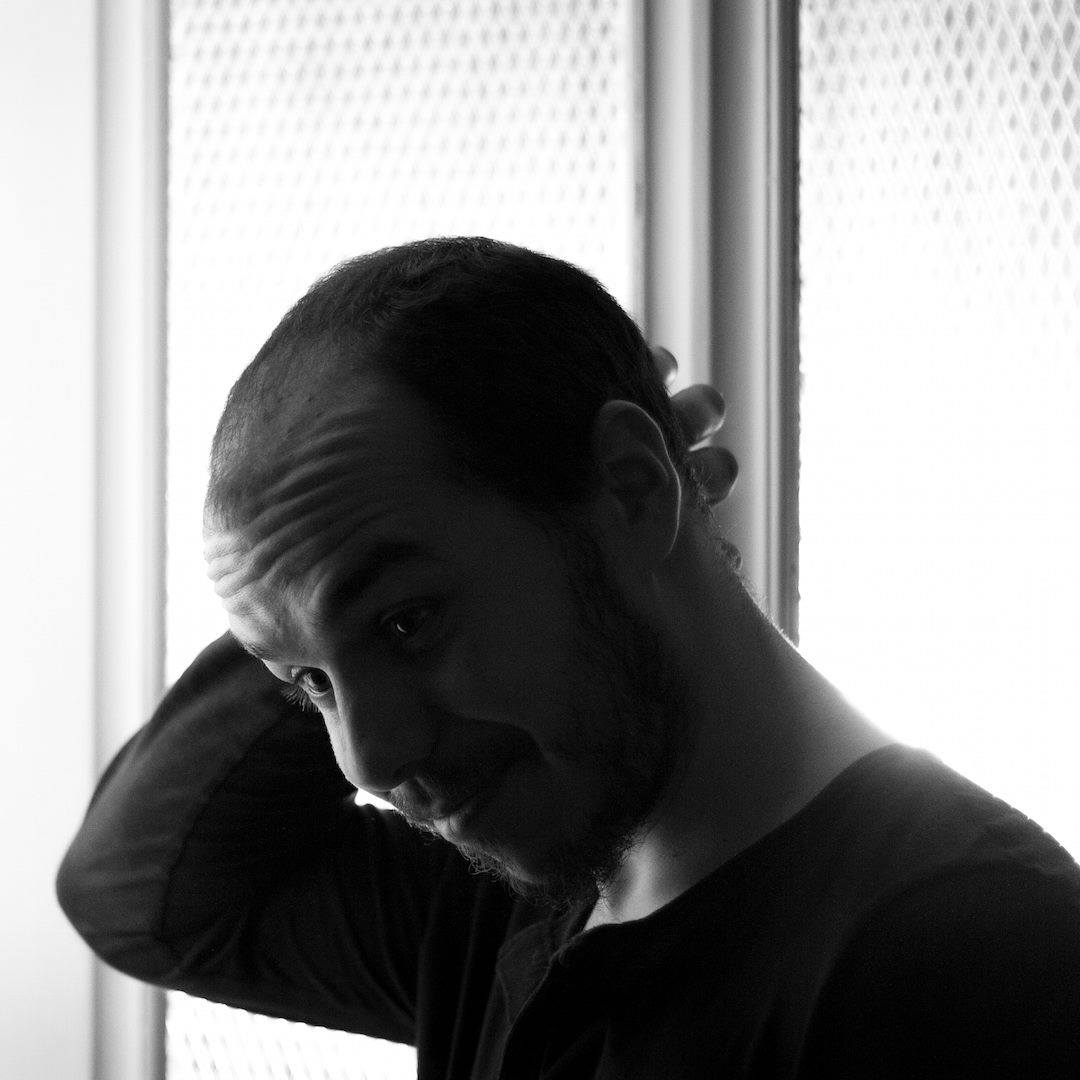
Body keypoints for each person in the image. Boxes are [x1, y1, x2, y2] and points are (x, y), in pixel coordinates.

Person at [58, 238, 1080, 1078]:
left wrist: (318, 603)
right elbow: (144, 896)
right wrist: (305, 607)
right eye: (308, 688)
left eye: (409, 621)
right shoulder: (527, 883)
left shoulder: (974, 957)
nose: (369, 761)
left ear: (633, 491)